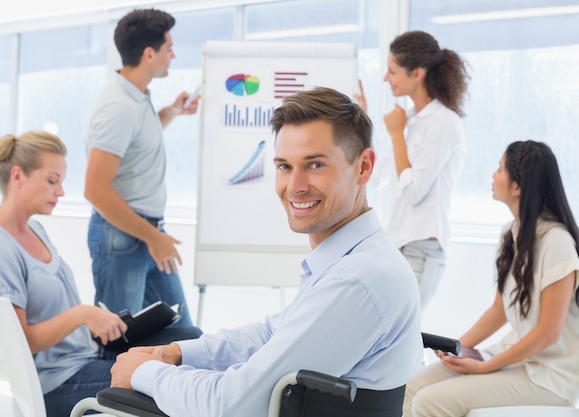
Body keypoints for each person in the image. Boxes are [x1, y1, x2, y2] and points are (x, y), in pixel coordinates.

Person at [109, 87, 422, 417]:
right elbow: (272, 332)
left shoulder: (357, 280)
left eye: (315, 164)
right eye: (284, 166)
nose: (295, 186)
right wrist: (175, 353)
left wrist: (143, 374)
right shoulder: (356, 260)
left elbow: (232, 405)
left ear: (364, 167)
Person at [0, 131, 202, 417]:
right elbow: (21, 342)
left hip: (88, 355)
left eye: (61, 181)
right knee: (174, 379)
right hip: (60, 382)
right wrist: (81, 315)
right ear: (18, 177)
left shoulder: (35, 230)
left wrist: (97, 322)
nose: (61, 192)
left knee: (191, 341)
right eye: (52, 180)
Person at [403, 140, 579, 417]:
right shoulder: (511, 234)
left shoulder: (556, 243)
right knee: (411, 387)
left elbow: (549, 332)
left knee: (429, 401)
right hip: (516, 359)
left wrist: (487, 366)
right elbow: (499, 311)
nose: (493, 176)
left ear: (517, 186)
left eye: (499, 169)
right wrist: (456, 348)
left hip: (548, 375)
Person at [84, 8, 199, 326]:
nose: (173, 55)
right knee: (119, 341)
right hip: (124, 238)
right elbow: (95, 189)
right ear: (149, 54)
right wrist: (152, 237)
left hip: (145, 234)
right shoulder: (118, 107)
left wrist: (174, 111)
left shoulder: (135, 96)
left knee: (182, 333)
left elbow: (137, 141)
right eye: (168, 48)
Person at [355, 30, 470, 310]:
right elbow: (378, 175)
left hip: (422, 247)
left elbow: (414, 190)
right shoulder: (409, 119)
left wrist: (396, 135)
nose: (386, 79)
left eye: (392, 71)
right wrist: (360, 122)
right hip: (398, 244)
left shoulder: (444, 122)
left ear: (417, 73)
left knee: (401, 334)